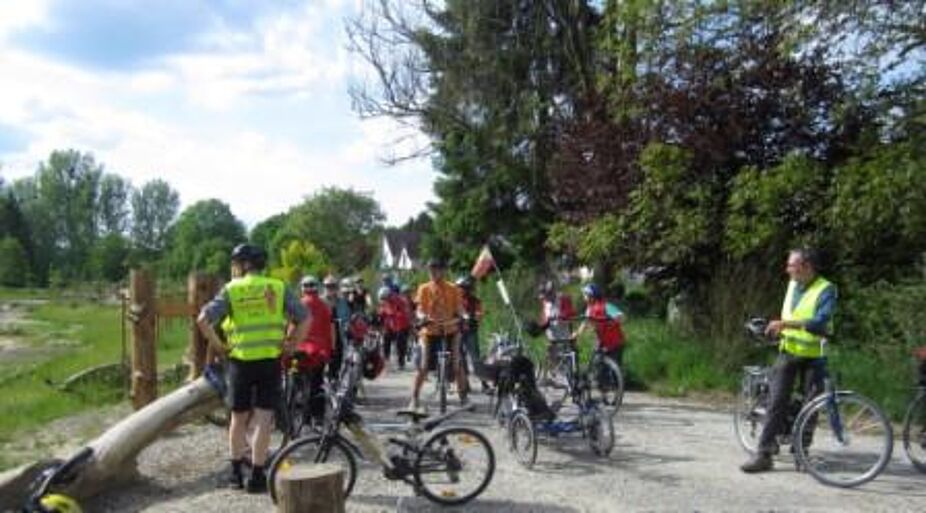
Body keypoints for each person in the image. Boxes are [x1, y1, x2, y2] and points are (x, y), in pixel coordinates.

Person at [196, 243, 309, 493]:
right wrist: (292, 345)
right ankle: (258, 476)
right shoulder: (278, 288)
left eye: (236, 264)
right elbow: (305, 317)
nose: (234, 269)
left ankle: (235, 474)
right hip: (269, 361)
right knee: (264, 420)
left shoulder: (231, 289)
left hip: (239, 362)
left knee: (238, 419)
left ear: (245, 265)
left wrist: (218, 346)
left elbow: (203, 319)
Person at [741, 248, 837, 473]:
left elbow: (820, 322)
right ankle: (763, 455)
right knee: (776, 402)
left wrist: (785, 325)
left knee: (811, 407)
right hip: (789, 351)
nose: (787, 269)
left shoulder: (826, 289)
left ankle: (801, 455)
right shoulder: (794, 284)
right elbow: (791, 313)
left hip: (815, 357)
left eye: (791, 265)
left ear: (805, 267)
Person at [410, 258, 468, 411]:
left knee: (456, 364)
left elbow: (460, 308)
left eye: (436, 269)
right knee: (423, 366)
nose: (433, 273)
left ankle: (464, 397)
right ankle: (414, 397)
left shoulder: (453, 288)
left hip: (450, 329)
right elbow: (419, 308)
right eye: (430, 270)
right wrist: (422, 316)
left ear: (443, 271)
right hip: (429, 330)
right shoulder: (423, 288)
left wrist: (464, 315)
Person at [288, 275, 334, 426]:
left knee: (294, 376)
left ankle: (294, 405)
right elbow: (331, 329)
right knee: (318, 383)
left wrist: (287, 342)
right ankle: (318, 416)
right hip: (319, 353)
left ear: (302, 288)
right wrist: (332, 349)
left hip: (299, 351)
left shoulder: (299, 304)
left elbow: (292, 327)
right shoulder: (325, 306)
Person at [573, 283, 626, 366]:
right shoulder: (594, 308)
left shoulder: (604, 306)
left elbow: (621, 317)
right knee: (604, 363)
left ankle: (611, 376)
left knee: (608, 364)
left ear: (591, 296)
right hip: (609, 341)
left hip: (612, 343)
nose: (584, 297)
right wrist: (577, 333)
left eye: (585, 294)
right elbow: (585, 323)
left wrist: (610, 322)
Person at [456, 275, 490, 393]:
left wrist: (477, 316)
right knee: (460, 359)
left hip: (471, 332)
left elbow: (480, 313)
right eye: (461, 288)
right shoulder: (456, 301)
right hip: (458, 332)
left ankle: (484, 383)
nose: (462, 290)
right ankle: (465, 384)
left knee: (476, 358)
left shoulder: (475, 301)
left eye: (464, 288)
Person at [325, 276, 353, 382]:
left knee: (338, 357)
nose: (330, 289)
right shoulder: (321, 301)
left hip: (339, 335)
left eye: (332, 286)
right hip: (324, 336)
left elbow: (347, 318)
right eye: (327, 286)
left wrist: (347, 326)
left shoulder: (342, 302)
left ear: (337, 288)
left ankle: (335, 380)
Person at [377, 285, 411, 370]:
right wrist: (378, 318)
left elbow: (402, 314)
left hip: (402, 324)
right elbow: (382, 312)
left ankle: (401, 362)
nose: (383, 300)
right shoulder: (385, 302)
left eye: (384, 298)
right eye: (382, 299)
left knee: (400, 340)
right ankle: (386, 359)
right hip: (391, 325)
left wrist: (393, 315)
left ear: (388, 295)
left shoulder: (398, 300)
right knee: (385, 337)